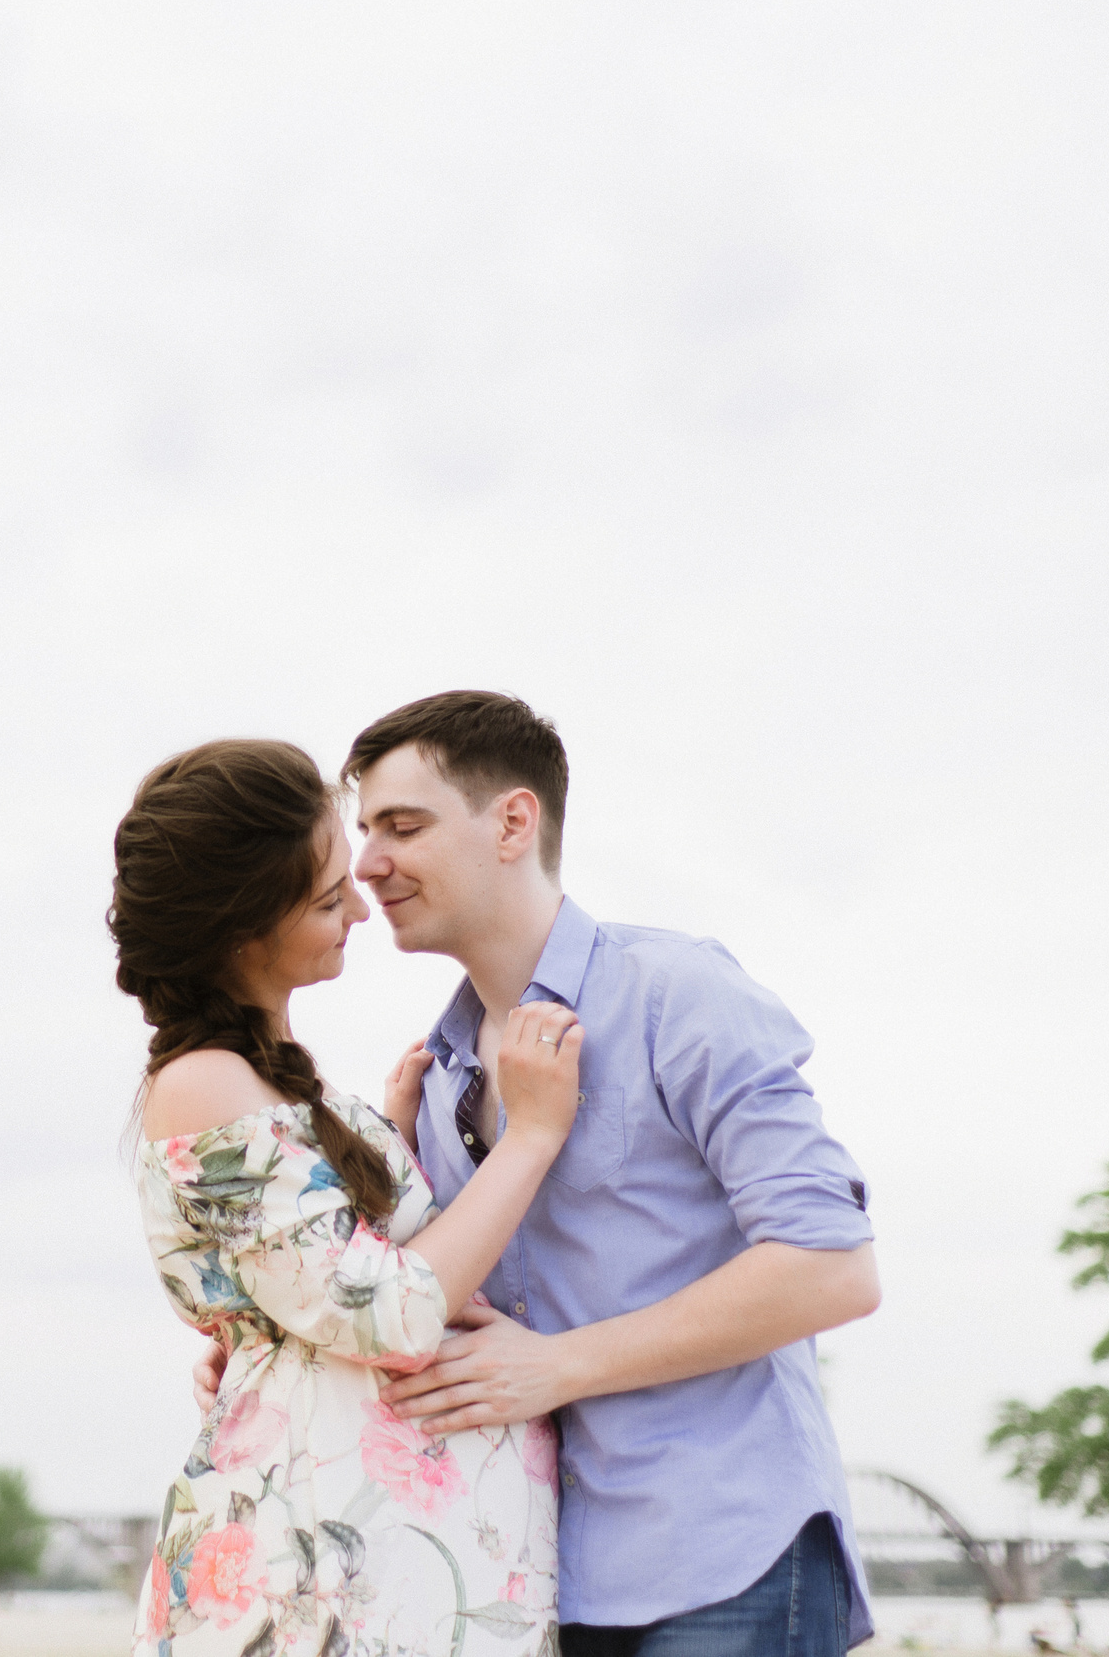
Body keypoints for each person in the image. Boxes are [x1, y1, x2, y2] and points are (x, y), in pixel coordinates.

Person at [196, 692, 882, 1657]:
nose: (369, 863)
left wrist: (558, 1366)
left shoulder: (677, 993)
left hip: (724, 1550)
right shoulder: (437, 1075)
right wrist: (284, 1349)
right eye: (366, 832)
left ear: (514, 822)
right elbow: (414, 1302)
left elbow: (834, 1266)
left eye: (403, 826)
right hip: (544, 1573)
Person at [113, 739, 585, 1657]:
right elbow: (389, 1309)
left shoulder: (275, 1082)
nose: (362, 909)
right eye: (330, 897)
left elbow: (323, 1273)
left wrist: (386, 1141)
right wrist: (531, 1135)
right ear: (246, 922)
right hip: (321, 1588)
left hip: (386, 1576)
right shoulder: (207, 1082)